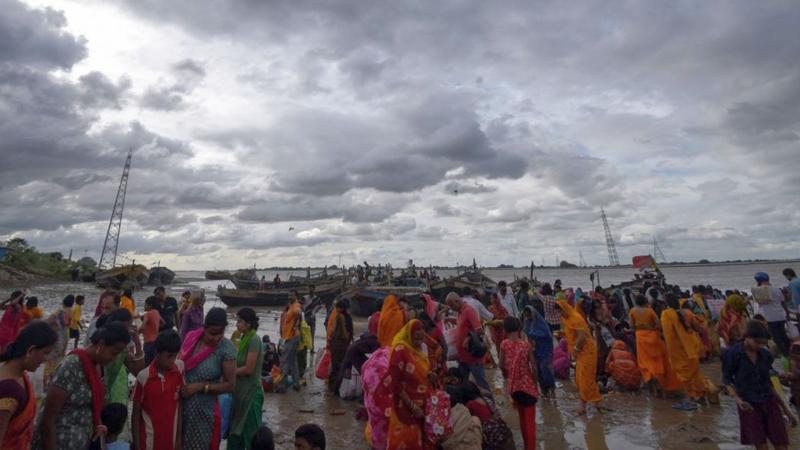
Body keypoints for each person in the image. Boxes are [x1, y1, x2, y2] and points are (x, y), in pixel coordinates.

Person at [33, 322, 131, 450]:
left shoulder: (98, 367)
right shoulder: (72, 366)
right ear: (101, 344)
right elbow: (48, 416)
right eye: (113, 353)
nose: (114, 359)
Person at [722, 320, 796, 450]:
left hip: (769, 400)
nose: (760, 346)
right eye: (757, 342)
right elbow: (727, 381)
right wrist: (738, 400)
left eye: (763, 343)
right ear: (747, 337)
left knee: (781, 442)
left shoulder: (765, 355)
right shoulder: (733, 354)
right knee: (760, 443)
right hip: (749, 404)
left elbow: (768, 381)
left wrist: (786, 411)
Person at [179, 307, 236, 450]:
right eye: (213, 333)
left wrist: (200, 387)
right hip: (180, 407)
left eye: (221, 333)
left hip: (203, 413)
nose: (217, 338)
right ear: (204, 328)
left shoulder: (226, 348)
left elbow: (230, 385)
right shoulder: (191, 338)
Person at [0, 321, 58, 448]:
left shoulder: (20, 376)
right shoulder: (9, 390)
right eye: (46, 353)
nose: (46, 359)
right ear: (31, 350)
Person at [132, 329, 184, 450]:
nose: (172, 360)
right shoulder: (143, 377)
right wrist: (137, 445)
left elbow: (180, 405)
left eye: (175, 356)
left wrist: (178, 438)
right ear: (157, 353)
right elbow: (136, 415)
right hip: (149, 442)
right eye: (168, 356)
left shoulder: (180, 369)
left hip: (171, 440)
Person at [384, 320, 431, 450]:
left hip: (422, 406)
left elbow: (422, 371)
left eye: (422, 339)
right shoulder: (400, 351)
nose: (419, 342)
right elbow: (395, 383)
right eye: (416, 338)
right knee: (404, 441)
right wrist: (412, 406)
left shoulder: (421, 349)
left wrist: (430, 375)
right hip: (404, 406)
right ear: (409, 335)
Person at [556, 298, 603, 414]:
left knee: (586, 379)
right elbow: (572, 333)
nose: (559, 314)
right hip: (580, 353)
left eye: (560, 311)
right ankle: (596, 403)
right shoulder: (566, 318)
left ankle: (587, 404)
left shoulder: (576, 318)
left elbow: (582, 337)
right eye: (558, 312)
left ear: (564, 308)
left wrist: (575, 350)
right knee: (580, 379)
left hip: (587, 351)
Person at [661, 293, 707, 409]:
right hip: (691, 346)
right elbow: (698, 328)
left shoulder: (666, 314)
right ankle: (701, 397)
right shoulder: (688, 313)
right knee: (695, 373)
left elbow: (667, 335)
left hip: (677, 350)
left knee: (685, 376)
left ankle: (691, 400)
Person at [499, 316, 539, 450]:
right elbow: (534, 367)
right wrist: (535, 384)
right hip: (528, 388)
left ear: (505, 329)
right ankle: (530, 448)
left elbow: (501, 364)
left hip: (514, 388)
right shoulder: (526, 345)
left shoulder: (504, 344)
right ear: (519, 328)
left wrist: (507, 376)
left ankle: (526, 446)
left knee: (522, 419)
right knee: (530, 423)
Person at [629, 294, 679, 394]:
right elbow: (658, 324)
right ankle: (658, 377)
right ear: (645, 301)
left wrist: (639, 329)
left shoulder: (632, 311)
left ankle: (650, 376)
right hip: (653, 336)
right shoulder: (650, 310)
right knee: (658, 359)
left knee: (644, 360)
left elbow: (631, 326)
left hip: (640, 336)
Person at [230, 308, 265, 450]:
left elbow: (248, 369)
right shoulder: (244, 338)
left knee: (250, 434)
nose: (236, 324)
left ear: (248, 324)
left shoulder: (254, 339)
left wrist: (230, 373)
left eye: (239, 321)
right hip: (240, 391)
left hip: (250, 393)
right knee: (236, 432)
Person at [445, 292, 492, 393]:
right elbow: (465, 327)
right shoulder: (459, 313)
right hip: (462, 357)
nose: (451, 308)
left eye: (452, 305)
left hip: (473, 357)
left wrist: (468, 338)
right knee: (462, 383)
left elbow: (479, 330)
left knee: (481, 384)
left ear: (457, 301)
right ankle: (471, 405)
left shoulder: (469, 311)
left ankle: (490, 406)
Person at [102, 309, 145, 405]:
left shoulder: (124, 349)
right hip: (104, 399)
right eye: (127, 326)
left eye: (130, 325)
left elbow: (138, 372)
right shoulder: (102, 347)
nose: (129, 329)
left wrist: (137, 342)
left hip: (120, 399)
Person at [751, 272, 790, 357]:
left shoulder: (759, 290)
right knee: (783, 334)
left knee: (776, 336)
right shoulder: (776, 289)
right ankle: (789, 351)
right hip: (781, 315)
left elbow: (758, 303)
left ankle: (784, 354)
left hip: (769, 317)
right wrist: (787, 313)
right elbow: (783, 302)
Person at [522, 305, 555, 395]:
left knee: (544, 367)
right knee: (537, 369)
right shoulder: (527, 322)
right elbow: (527, 335)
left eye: (529, 315)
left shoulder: (541, 322)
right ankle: (544, 389)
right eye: (526, 315)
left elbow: (547, 335)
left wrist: (536, 336)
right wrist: (530, 347)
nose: (528, 317)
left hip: (545, 348)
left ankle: (551, 385)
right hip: (535, 349)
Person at [43, 295, 73, 387]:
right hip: (65, 336)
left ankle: (44, 383)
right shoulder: (71, 312)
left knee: (50, 359)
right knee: (59, 359)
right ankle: (53, 381)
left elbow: (48, 321)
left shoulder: (59, 311)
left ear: (63, 302)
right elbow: (67, 325)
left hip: (57, 337)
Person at [327, 299, 353, 394]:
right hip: (345, 345)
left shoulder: (339, 317)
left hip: (337, 345)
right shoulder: (348, 317)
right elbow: (350, 333)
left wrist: (330, 341)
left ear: (340, 308)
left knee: (335, 366)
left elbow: (334, 331)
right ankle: (339, 387)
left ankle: (334, 388)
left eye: (337, 307)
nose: (336, 309)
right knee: (341, 365)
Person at [278, 293, 303, 392]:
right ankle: (296, 384)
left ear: (296, 297)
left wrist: (295, 325)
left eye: (291, 295)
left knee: (285, 361)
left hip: (291, 337)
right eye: (288, 295)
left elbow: (298, 313)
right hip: (290, 337)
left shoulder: (296, 306)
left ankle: (282, 386)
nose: (289, 297)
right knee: (292, 362)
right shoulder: (291, 307)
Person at [487, 293, 509, 362]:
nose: (491, 300)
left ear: (496, 299)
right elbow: (487, 320)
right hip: (495, 331)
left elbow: (506, 319)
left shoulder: (503, 308)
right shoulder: (490, 308)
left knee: (505, 347)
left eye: (492, 298)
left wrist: (499, 321)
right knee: (498, 348)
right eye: (490, 298)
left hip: (503, 331)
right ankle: (502, 364)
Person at [141, 296, 163, 366]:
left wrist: (136, 332)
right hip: (156, 342)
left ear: (150, 305)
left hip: (148, 343)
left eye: (145, 304)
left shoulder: (147, 314)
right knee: (155, 364)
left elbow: (143, 326)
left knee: (147, 365)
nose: (144, 306)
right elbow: (163, 323)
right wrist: (155, 327)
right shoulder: (156, 312)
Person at [303, 285, 323, 352]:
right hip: (306, 318)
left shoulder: (317, 298)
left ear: (314, 290)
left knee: (312, 334)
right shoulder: (304, 297)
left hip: (313, 318)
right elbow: (299, 304)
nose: (311, 290)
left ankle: (312, 349)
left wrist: (315, 311)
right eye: (310, 289)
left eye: (312, 289)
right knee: (305, 334)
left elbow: (320, 305)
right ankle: (305, 348)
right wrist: (304, 309)